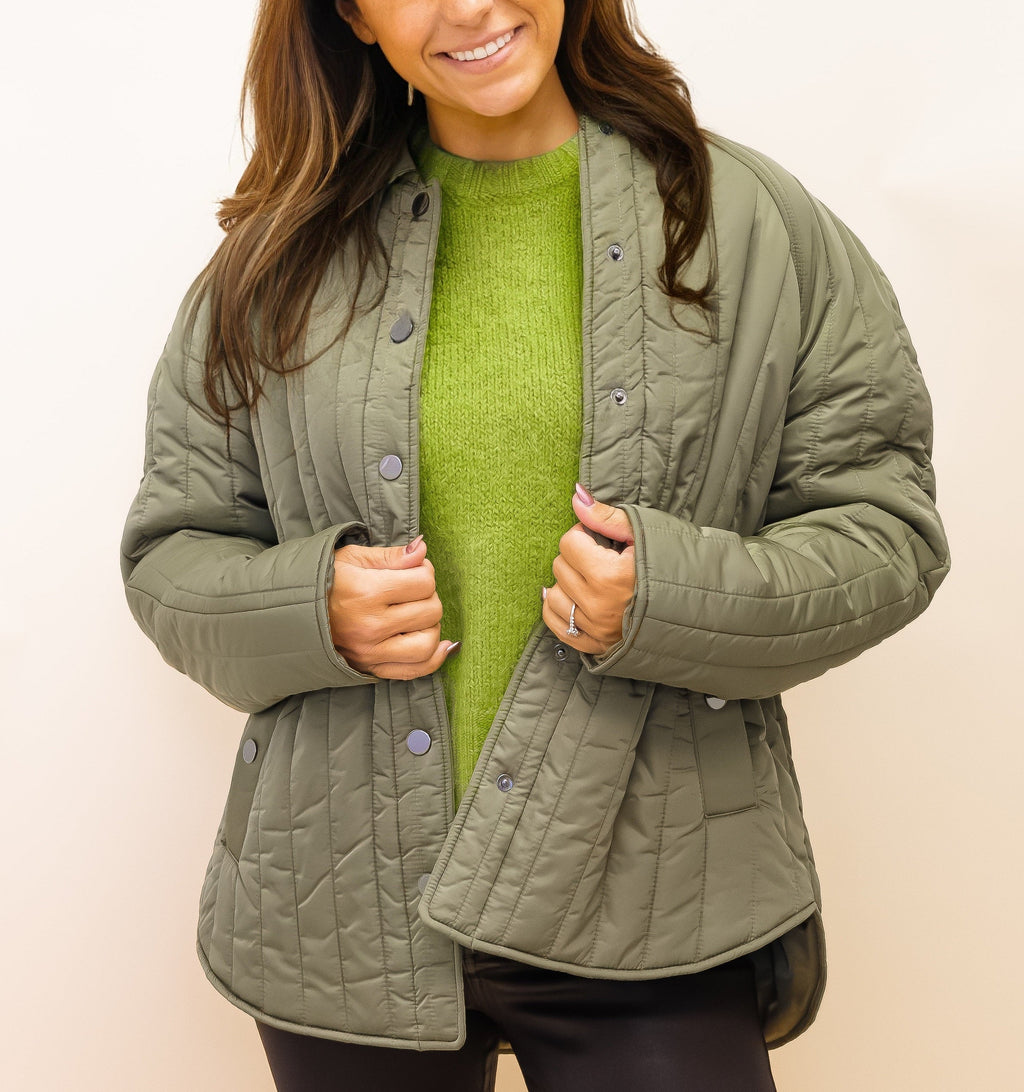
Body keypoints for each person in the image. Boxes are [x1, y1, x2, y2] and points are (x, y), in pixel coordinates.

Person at [120, 0, 950, 1088]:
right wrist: (306, 606)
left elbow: (886, 524)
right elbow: (173, 549)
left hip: (654, 896)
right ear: (353, 20)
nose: (468, 7)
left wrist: (671, 597)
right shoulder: (278, 257)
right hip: (343, 914)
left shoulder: (747, 222)